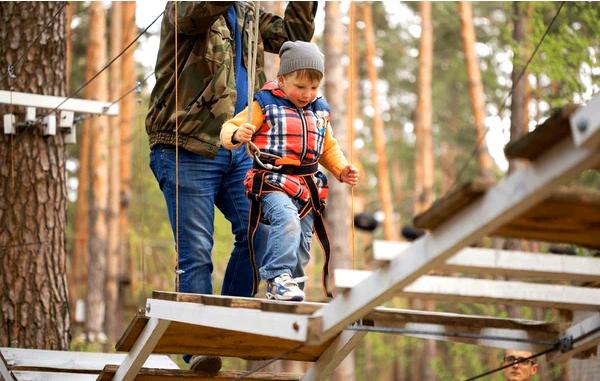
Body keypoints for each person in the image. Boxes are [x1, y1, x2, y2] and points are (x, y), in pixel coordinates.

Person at [145, 1, 317, 371]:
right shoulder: (186, 7)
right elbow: (194, 15)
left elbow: (294, 39)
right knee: (196, 248)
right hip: (185, 145)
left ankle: (226, 327)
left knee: (262, 231)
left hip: (239, 147)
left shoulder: (250, 13)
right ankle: (199, 345)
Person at [221, 41, 359, 302]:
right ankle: (277, 277)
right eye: (300, 86)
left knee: (303, 240)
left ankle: (291, 284)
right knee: (287, 221)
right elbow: (231, 126)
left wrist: (342, 169)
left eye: (314, 87)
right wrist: (238, 134)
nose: (307, 93)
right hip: (272, 181)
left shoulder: (319, 111)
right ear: (282, 79)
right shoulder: (264, 104)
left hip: (307, 188)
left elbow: (328, 147)